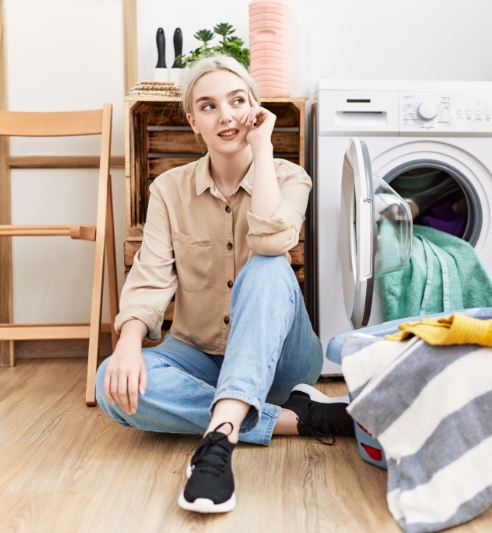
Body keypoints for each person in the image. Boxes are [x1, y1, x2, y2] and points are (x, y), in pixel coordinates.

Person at [95, 54, 355, 514]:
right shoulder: (168, 190)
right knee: (110, 385)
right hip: (197, 354)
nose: (227, 115)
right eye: (209, 106)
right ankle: (302, 417)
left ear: (254, 107)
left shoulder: (290, 177)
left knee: (269, 264)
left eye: (237, 100)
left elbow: (275, 239)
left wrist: (265, 148)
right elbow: (150, 276)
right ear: (194, 122)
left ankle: (218, 442)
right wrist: (129, 343)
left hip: (281, 362)